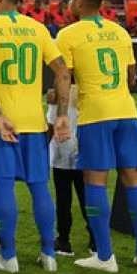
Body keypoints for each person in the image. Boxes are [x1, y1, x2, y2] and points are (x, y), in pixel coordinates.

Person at [0, 0, 67, 274]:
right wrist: (62, 114)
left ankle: (8, 257)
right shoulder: (38, 29)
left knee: (2, 188)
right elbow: (63, 72)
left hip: (1, 125)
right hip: (35, 123)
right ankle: (48, 254)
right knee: (40, 188)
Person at [54, 0, 137, 272]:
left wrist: (61, 113)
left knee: (95, 183)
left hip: (96, 116)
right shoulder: (120, 32)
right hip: (127, 113)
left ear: (81, 2)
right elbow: (132, 77)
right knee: (133, 181)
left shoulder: (68, 34)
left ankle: (105, 256)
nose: (70, 3)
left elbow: (63, 78)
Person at [46, 86, 93, 257]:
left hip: (62, 155)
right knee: (88, 198)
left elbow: (51, 125)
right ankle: (95, 241)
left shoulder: (57, 96)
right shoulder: (88, 92)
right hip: (85, 154)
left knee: (63, 200)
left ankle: (64, 241)